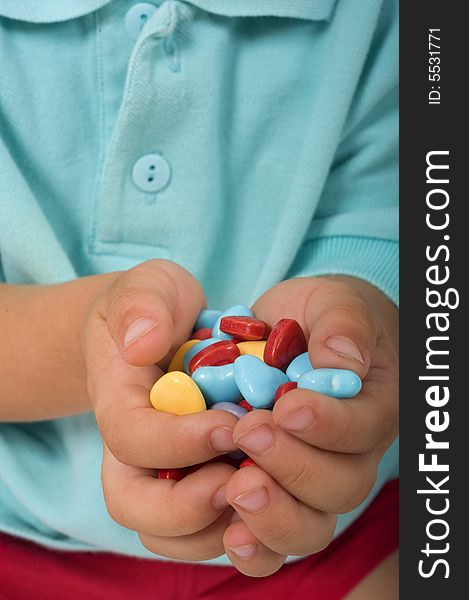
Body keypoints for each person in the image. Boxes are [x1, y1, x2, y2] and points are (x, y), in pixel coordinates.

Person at [0, 0, 399, 597]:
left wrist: (366, 308)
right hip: (20, 532)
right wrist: (85, 336)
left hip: (340, 526)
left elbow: (404, 202)